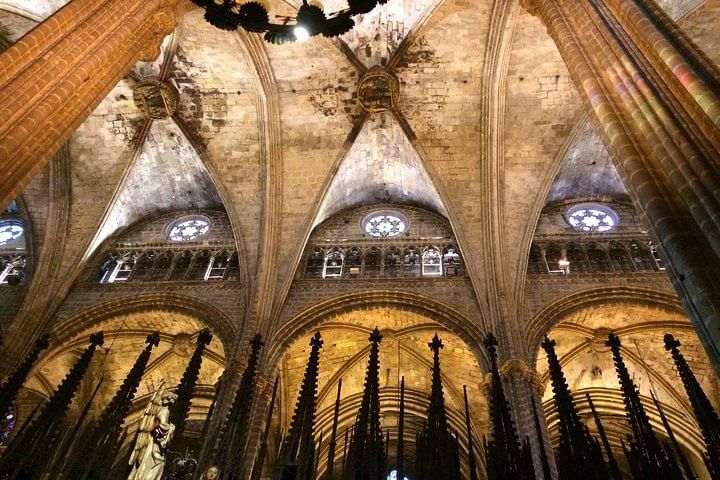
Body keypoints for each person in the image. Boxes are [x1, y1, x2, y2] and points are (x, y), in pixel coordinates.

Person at [128, 391, 178, 480]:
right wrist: (172, 427)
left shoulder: (160, 410)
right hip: (155, 443)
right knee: (159, 462)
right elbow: (162, 426)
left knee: (152, 462)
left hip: (153, 442)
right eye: (173, 400)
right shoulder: (165, 411)